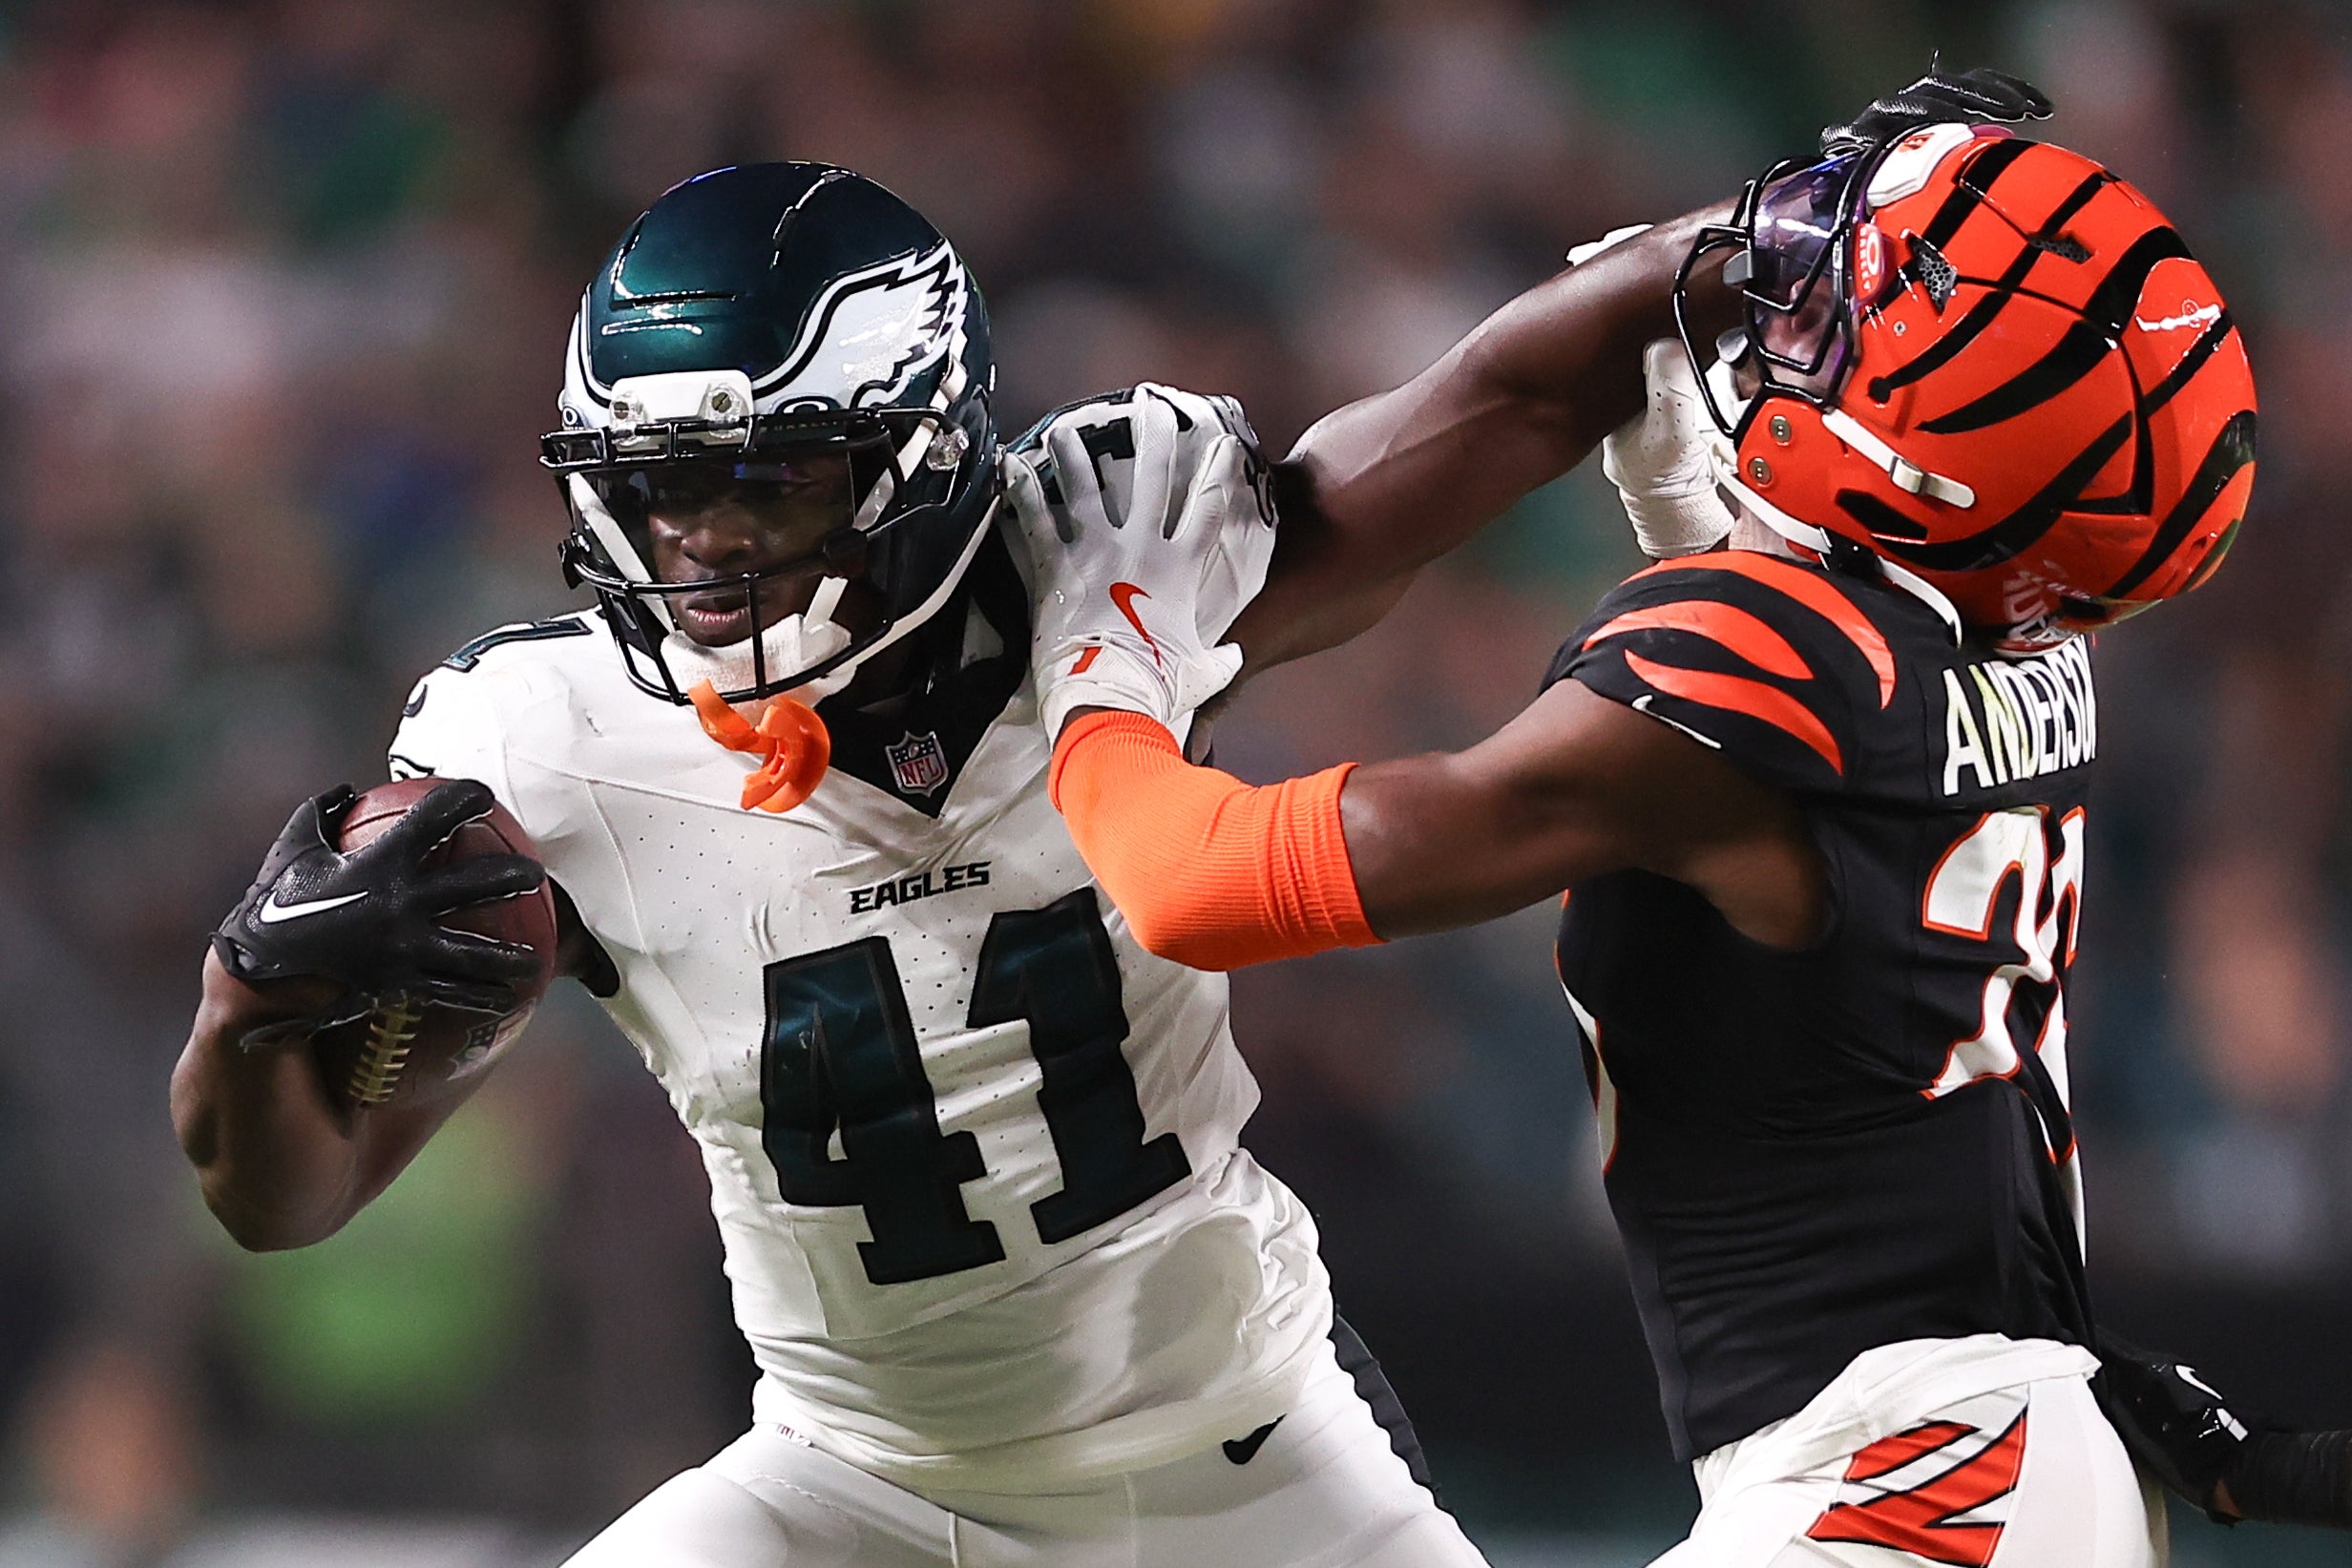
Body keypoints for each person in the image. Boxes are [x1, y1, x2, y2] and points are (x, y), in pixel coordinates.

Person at [170, 158, 1723, 1566]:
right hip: (847, 1480)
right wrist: (248, 997)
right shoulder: (544, 748)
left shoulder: (1100, 567)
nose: (708, 544)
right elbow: (285, 1200)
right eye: (665, 486)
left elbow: (1498, 403)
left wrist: (1736, 248)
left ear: (923, 449)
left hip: (1241, 1456)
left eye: (774, 476)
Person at [1013, 73, 2264, 1566]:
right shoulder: (2029, 629)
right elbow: (1820, 827)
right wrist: (1707, 444)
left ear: (1923, 445)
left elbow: (1194, 883)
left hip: (1912, 1483)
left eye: (1841, 313)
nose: (1788, 314)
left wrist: (1102, 661)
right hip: (1989, 1451)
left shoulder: (1757, 666)